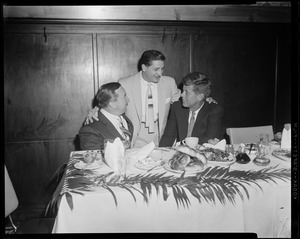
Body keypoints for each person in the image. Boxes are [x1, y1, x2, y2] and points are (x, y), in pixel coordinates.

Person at [85, 50, 217, 148]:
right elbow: (110, 99)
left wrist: (206, 99)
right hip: (134, 139)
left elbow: (187, 99)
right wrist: (97, 108)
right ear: (144, 67)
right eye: (156, 69)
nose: (160, 73)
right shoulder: (125, 83)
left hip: (159, 140)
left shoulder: (169, 83)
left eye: (162, 69)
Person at [159, 72, 224, 147]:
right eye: (183, 91)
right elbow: (168, 137)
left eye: (187, 92)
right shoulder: (177, 107)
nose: (181, 95)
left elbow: (209, 141)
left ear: (200, 96)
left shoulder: (214, 111)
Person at [78, 82, 133, 150]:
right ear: (112, 104)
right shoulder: (90, 131)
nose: (128, 100)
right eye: (124, 96)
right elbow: (95, 159)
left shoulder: (122, 117)